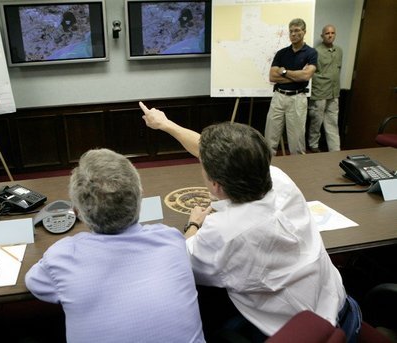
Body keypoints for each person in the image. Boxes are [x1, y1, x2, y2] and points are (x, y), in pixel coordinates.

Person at [139, 101, 361, 343]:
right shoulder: (279, 180)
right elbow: (208, 148)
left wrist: (193, 225)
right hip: (345, 312)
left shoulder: (226, 232)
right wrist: (166, 124)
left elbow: (181, 262)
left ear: (216, 186)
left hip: (297, 334)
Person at [25, 148, 205, 342]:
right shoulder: (170, 239)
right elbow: (185, 244)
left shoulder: (61, 257)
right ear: (140, 197)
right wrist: (193, 224)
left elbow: (33, 282)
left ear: (76, 211)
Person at [265, 18, 317, 155]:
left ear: (304, 32)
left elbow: (306, 76)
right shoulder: (282, 53)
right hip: (278, 97)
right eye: (291, 31)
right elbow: (272, 77)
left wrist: (284, 72)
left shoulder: (311, 53)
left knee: (297, 141)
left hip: (297, 99)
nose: (293, 34)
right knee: (270, 140)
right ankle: (267, 172)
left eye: (297, 31)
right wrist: (297, 76)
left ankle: (298, 173)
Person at [308, 24, 343, 153]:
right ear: (322, 35)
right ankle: (313, 145)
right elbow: (311, 72)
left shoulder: (339, 51)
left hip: (334, 92)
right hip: (320, 92)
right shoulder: (315, 51)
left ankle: (335, 149)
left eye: (332, 33)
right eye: (327, 33)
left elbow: (338, 70)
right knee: (316, 121)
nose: (330, 35)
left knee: (333, 121)